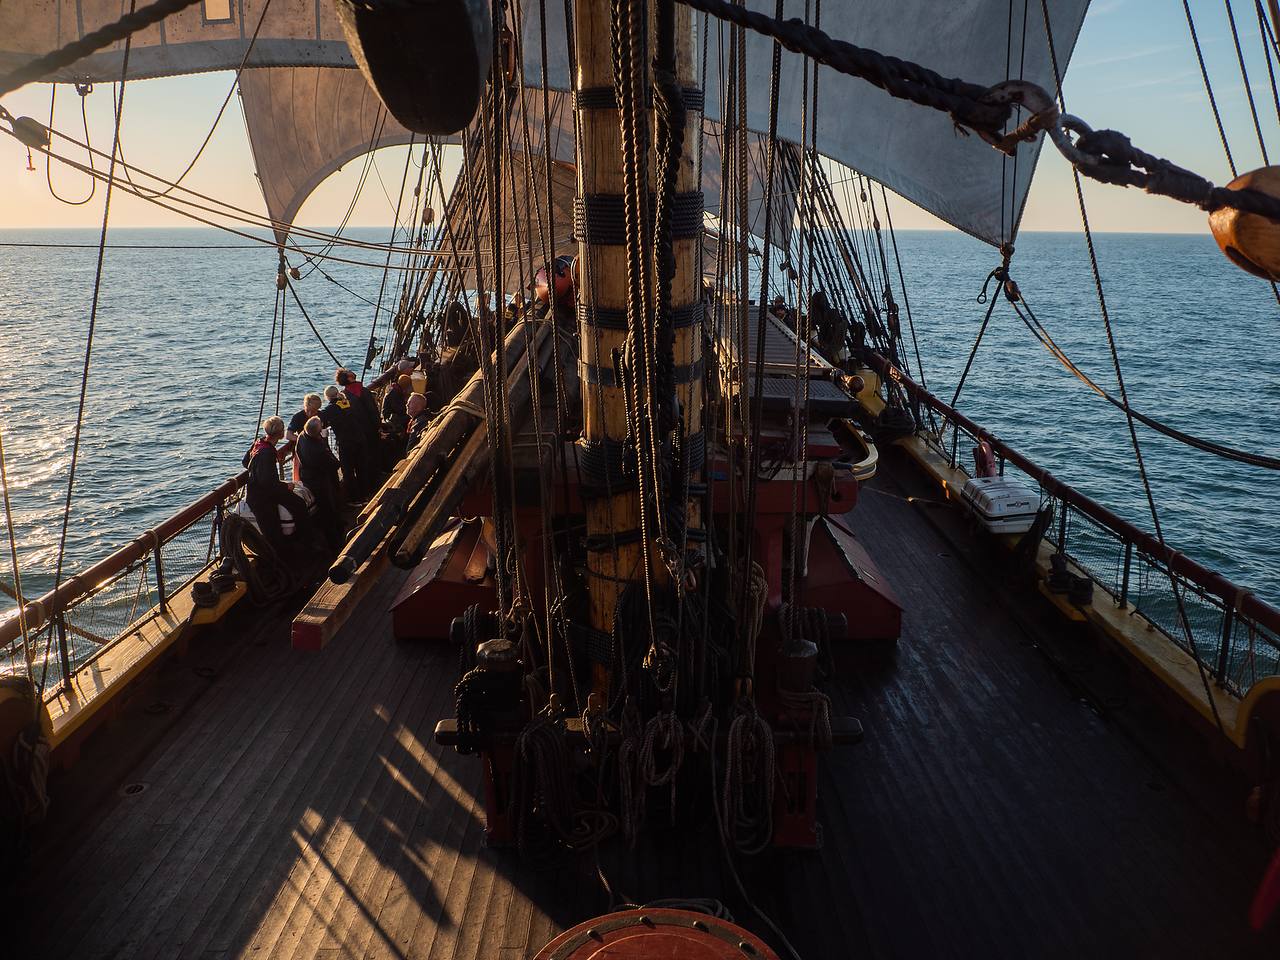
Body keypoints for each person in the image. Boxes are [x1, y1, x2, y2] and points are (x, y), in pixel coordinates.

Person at [242, 416, 311, 554]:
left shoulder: (259, 443)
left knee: (297, 504)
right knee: (273, 530)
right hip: (262, 496)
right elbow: (268, 482)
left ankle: (299, 541)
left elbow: (245, 462)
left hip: (260, 489)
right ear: (280, 434)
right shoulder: (267, 452)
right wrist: (287, 487)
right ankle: (291, 550)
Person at [296, 415, 344, 549]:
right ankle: (335, 542)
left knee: (324, 509)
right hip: (320, 481)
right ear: (318, 432)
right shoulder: (317, 450)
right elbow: (334, 464)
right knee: (328, 509)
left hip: (307, 477)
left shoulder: (301, 437)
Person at [321, 384, 372, 503]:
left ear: (327, 397)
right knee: (361, 467)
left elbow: (322, 419)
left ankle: (354, 499)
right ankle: (366, 494)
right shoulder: (346, 402)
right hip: (359, 439)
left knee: (348, 471)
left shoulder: (330, 409)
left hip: (346, 443)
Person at [285, 393, 323, 481]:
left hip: (318, 449)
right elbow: (288, 435)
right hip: (302, 450)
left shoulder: (321, 416)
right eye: (307, 410)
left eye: (313, 411)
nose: (310, 414)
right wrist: (304, 440)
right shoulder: (298, 417)